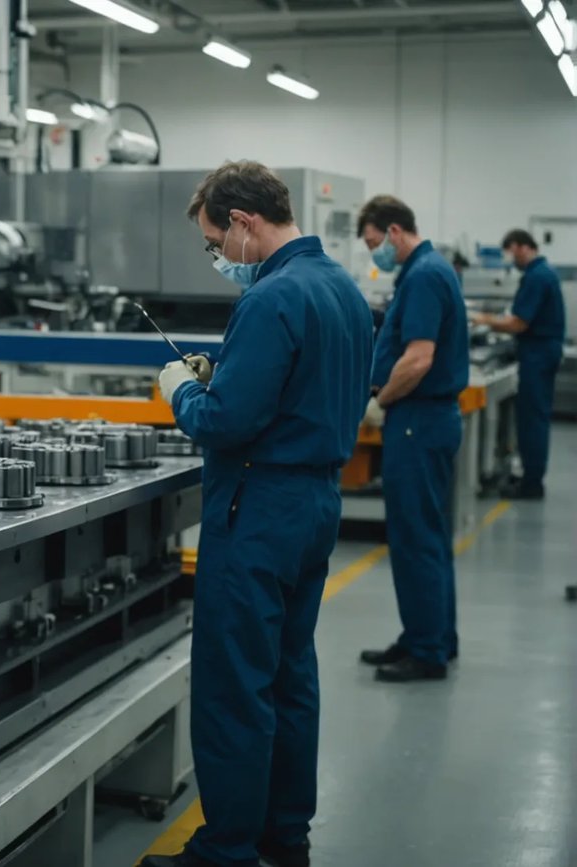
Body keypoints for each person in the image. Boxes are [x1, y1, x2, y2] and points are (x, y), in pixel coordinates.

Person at [140, 161, 372, 867]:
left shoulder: (271, 299)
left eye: (217, 242)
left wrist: (181, 388)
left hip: (257, 510)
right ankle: (283, 836)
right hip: (315, 503)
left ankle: (228, 847)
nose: (220, 258)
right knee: (289, 675)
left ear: (244, 223)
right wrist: (229, 374)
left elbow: (225, 422)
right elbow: (298, 391)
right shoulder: (342, 289)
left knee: (234, 683)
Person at [356, 195, 469, 683]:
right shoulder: (427, 270)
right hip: (426, 421)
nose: (373, 254)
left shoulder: (424, 275)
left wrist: (380, 402)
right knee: (430, 536)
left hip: (416, 422)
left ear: (395, 231)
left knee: (414, 538)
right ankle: (433, 635)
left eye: (373, 243)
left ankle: (426, 651)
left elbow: (419, 359)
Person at [473, 229, 567, 499]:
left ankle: (532, 484)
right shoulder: (544, 273)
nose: (511, 259)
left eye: (511, 252)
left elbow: (517, 323)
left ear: (521, 247)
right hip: (540, 352)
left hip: (537, 354)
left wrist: (483, 319)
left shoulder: (537, 277)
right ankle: (530, 476)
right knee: (534, 417)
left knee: (532, 419)